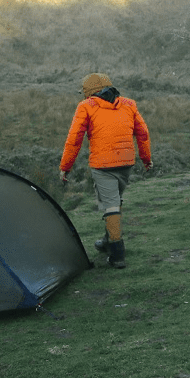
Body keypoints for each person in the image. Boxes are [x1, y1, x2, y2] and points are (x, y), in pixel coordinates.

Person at [59, 73, 153, 269]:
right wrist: (146, 159)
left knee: (111, 206)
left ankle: (117, 254)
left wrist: (65, 167)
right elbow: (143, 133)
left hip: (103, 165)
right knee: (114, 203)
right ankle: (107, 240)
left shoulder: (86, 106)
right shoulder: (129, 104)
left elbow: (74, 138)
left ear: (89, 93)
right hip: (126, 162)